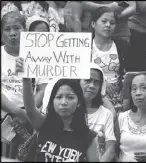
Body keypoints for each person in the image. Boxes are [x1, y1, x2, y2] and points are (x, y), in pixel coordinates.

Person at [21, 77, 100, 162]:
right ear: (52, 101)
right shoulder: (45, 124)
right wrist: (26, 80)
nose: (64, 102)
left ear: (79, 102)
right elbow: (30, 109)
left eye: (70, 97)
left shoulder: (88, 137)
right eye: (59, 97)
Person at [1, 10, 32, 159]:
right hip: (4, 115)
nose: (12, 33)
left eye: (17, 28)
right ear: (2, 33)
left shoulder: (37, 54)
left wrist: (29, 113)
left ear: (25, 30)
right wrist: (19, 113)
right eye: (7, 29)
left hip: (33, 116)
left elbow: (43, 88)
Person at [90, 6, 129, 115]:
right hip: (94, 94)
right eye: (104, 21)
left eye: (112, 23)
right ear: (93, 24)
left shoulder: (122, 45)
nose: (108, 25)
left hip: (118, 96)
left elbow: (129, 73)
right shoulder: (86, 46)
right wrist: (102, 83)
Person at [79, 63, 116, 162]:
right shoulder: (69, 110)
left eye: (96, 82)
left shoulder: (106, 114)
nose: (92, 86)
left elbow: (110, 150)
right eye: (87, 80)